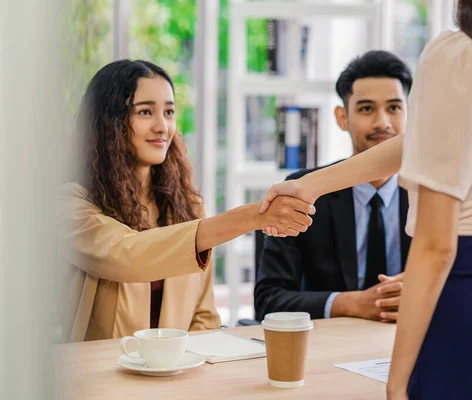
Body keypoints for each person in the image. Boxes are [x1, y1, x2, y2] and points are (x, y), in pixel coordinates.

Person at [259, 0, 472, 398]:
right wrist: (314, 184)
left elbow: (436, 247)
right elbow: (427, 140)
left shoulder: (458, 54)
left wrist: (398, 381)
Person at [56, 60, 314, 342]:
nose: (162, 126)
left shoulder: (186, 205)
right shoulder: (72, 203)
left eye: (168, 111)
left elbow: (204, 315)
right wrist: (253, 216)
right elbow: (130, 255)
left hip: (176, 374)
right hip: (101, 376)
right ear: (108, 122)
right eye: (145, 112)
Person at [254, 51, 413, 322]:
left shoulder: (433, 192)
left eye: (394, 108)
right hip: (329, 347)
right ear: (342, 117)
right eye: (366, 109)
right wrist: (350, 303)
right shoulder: (303, 191)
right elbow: (268, 300)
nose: (382, 122)